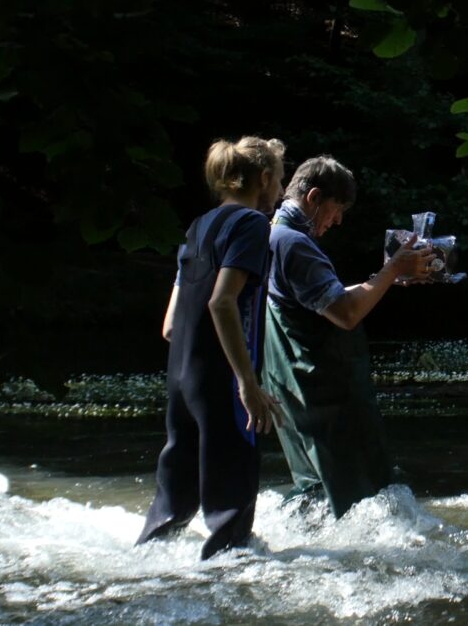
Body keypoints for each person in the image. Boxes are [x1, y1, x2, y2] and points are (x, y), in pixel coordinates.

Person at [137, 136, 286, 560]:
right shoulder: (253, 225)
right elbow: (222, 301)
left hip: (181, 377)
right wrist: (248, 384)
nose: (278, 194)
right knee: (230, 513)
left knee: (172, 506)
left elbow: (170, 324)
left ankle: (147, 567)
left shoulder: (198, 225)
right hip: (220, 379)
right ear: (263, 179)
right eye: (278, 183)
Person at [261, 155, 435, 518]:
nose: (337, 220)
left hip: (291, 387)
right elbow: (345, 312)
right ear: (313, 197)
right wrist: (391, 269)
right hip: (321, 392)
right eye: (336, 208)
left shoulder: (270, 234)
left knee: (315, 489)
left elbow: (327, 299)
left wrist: (390, 279)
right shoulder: (295, 243)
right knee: (356, 489)